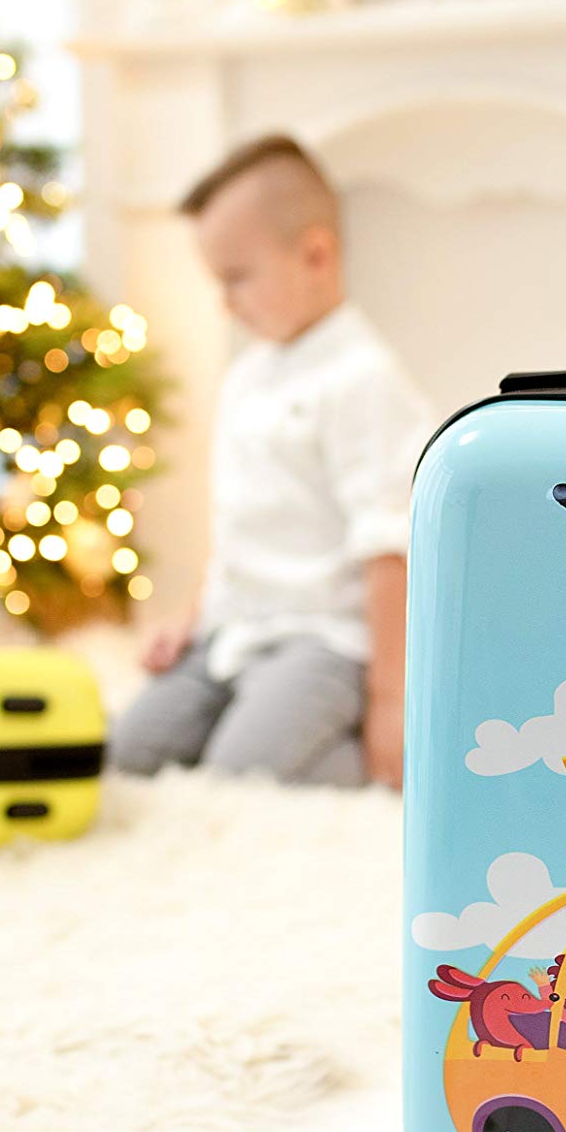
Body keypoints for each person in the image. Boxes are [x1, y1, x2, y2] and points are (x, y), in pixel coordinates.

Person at [110, 135, 435, 789]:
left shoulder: (362, 380)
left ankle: (376, 761)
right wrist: (191, 619)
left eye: (237, 278)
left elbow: (391, 553)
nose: (226, 302)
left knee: (238, 777)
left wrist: (392, 705)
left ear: (316, 255)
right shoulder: (247, 377)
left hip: (322, 643)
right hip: (228, 634)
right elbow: (242, 526)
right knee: (129, 753)